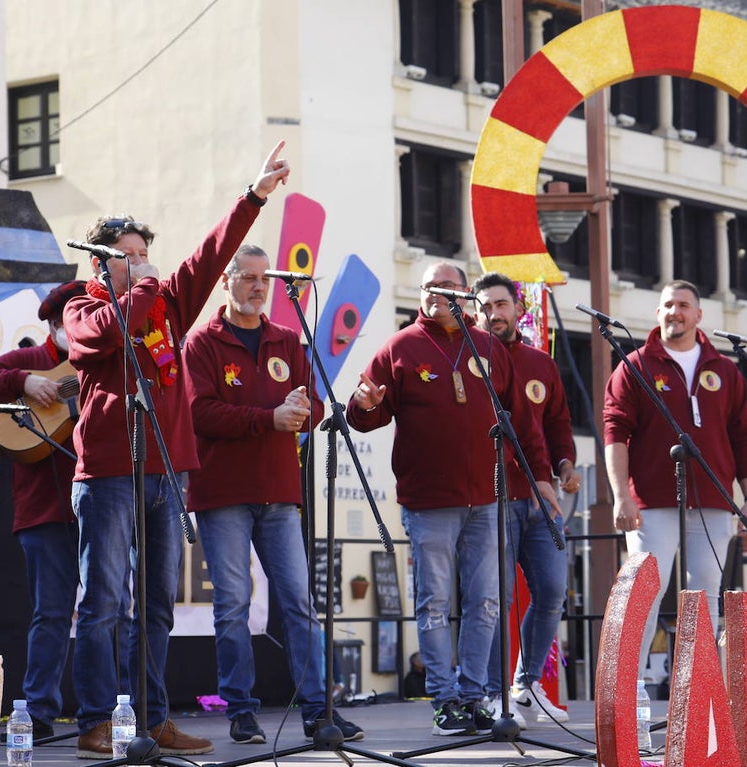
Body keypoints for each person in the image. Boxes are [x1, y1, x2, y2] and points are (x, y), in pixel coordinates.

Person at [63, 142, 290, 759]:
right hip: (108, 475)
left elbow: (212, 255)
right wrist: (142, 287)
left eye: (145, 254)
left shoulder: (166, 305)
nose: (143, 263)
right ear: (101, 263)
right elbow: (108, 331)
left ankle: (152, 717)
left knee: (156, 604)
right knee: (103, 603)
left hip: (166, 473)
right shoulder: (81, 307)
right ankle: (96, 721)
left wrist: (254, 196)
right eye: (129, 255)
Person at [346, 262, 559, 736]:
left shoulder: (488, 347)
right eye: (429, 286)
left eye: (446, 287)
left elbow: (523, 423)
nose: (436, 293)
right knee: (434, 604)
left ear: (465, 295)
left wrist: (540, 477)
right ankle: (444, 700)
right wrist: (362, 406)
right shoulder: (400, 347)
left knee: (486, 602)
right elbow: (366, 414)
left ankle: (473, 694)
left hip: (487, 499)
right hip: (429, 503)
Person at [183, 245, 363, 745]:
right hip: (223, 494)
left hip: (280, 494)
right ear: (226, 281)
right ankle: (241, 712)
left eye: (265, 278)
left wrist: (304, 409)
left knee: (300, 604)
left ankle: (319, 712)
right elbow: (197, 413)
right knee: (233, 605)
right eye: (248, 277)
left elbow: (317, 407)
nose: (259, 286)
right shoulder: (201, 342)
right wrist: (270, 418)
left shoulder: (286, 338)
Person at [603, 279, 747, 682]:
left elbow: (743, 436)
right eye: (669, 305)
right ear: (658, 313)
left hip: (713, 501)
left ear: (699, 315)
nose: (676, 312)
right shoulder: (635, 365)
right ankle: (629, 696)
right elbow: (614, 432)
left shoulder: (725, 370)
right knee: (644, 596)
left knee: (705, 597)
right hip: (651, 503)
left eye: (684, 305)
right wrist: (621, 496)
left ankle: (702, 696)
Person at [473, 272, 577, 726]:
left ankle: (527, 684)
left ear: (518, 309)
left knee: (552, 590)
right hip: (490, 497)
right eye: (485, 306)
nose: (494, 313)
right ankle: (494, 692)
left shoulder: (540, 363)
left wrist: (566, 464)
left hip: (542, 497)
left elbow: (557, 424)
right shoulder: (469, 361)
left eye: (501, 304)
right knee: (493, 597)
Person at [0, 280, 86, 739]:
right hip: (44, 508)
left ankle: (104, 710)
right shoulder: (28, 360)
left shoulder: (107, 363)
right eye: (68, 319)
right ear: (52, 324)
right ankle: (40, 712)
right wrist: (24, 381)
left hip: (103, 504)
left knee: (111, 611)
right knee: (51, 612)